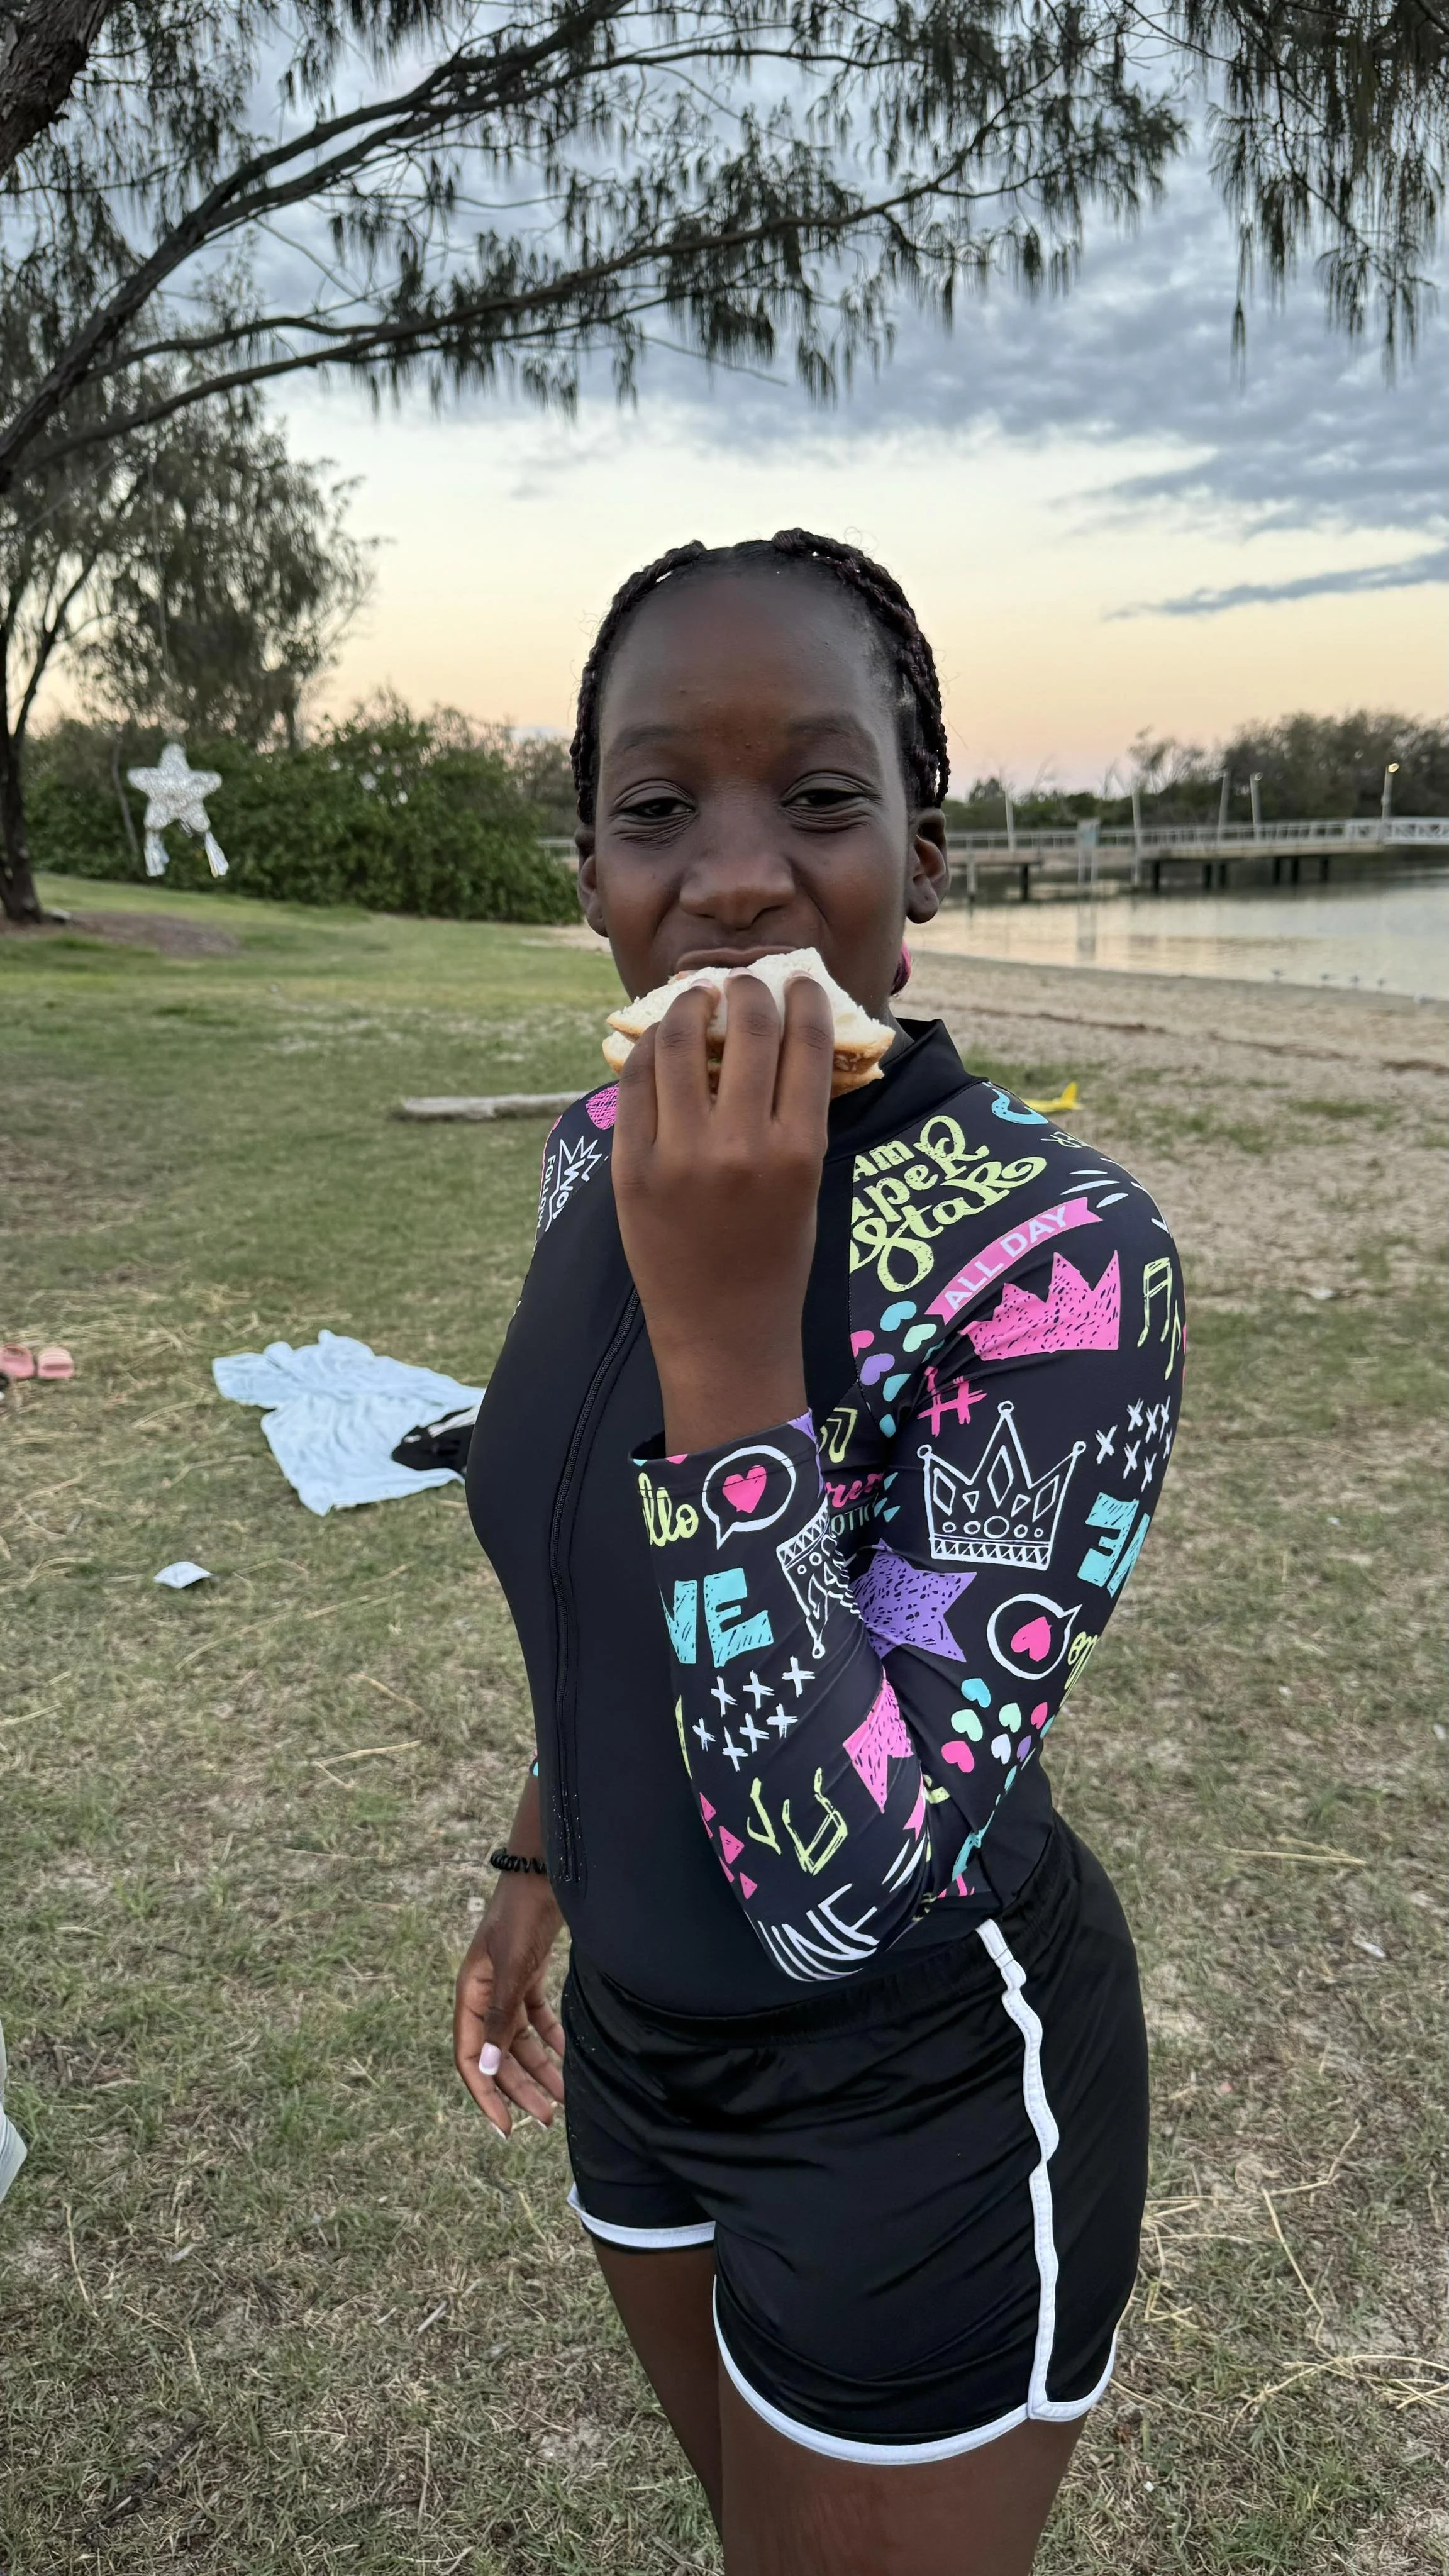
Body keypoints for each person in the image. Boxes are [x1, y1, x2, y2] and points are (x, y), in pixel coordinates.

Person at [455, 531, 1185, 2574]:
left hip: (918, 2100)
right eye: (658, 808)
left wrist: (725, 1348)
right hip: (638, 2066)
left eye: (823, 799)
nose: (738, 875)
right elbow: (597, 1595)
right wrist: (539, 1865)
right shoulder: (600, 1148)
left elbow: (843, 1892)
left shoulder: (1059, 1260)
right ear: (591, 868)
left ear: (925, 856)